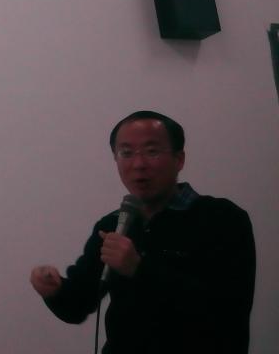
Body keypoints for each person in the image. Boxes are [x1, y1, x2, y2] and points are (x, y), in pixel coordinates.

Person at [30, 111, 255, 353]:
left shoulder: (222, 218)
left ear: (179, 159)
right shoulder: (113, 224)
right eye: (126, 153)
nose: (138, 164)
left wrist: (138, 268)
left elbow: (227, 312)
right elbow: (78, 305)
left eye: (152, 151)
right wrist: (54, 290)